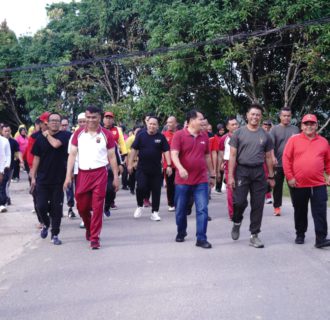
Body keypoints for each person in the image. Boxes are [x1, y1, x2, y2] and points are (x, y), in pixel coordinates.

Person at [64, 106, 119, 250]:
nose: (90, 120)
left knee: (97, 206)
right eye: (88, 117)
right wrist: (68, 176)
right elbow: (72, 155)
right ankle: (88, 227)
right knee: (81, 207)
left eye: (94, 117)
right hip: (82, 174)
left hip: (100, 174)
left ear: (99, 118)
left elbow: (112, 157)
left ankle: (95, 237)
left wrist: (116, 177)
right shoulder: (78, 134)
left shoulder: (107, 134)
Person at [228, 104, 275, 248]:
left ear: (261, 117)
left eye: (258, 115)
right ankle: (237, 222)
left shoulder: (266, 135)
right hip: (242, 171)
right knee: (240, 202)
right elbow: (233, 155)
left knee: (258, 204)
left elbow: (268, 157)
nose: (255, 117)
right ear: (247, 115)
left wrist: (271, 176)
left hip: (259, 173)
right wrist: (230, 176)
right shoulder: (238, 133)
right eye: (252, 114)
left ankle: (254, 235)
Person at [283, 114, 330, 248]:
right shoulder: (294, 140)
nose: (309, 126)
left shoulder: (323, 142)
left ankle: (321, 238)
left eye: (312, 124)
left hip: (318, 183)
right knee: (300, 210)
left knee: (320, 211)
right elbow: (286, 159)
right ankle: (300, 234)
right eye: (306, 124)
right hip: (298, 183)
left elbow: (328, 160)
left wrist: (329, 174)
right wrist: (290, 177)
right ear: (302, 126)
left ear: (316, 126)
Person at [171, 110, 215, 249]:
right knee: (180, 210)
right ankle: (181, 231)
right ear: (191, 120)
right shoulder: (179, 135)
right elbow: (174, 155)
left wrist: (212, 174)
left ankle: (201, 238)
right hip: (182, 181)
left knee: (202, 209)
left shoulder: (204, 136)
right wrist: (180, 168)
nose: (203, 122)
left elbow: (207, 156)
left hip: (201, 180)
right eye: (200, 119)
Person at [30, 113, 69, 245]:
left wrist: (46, 134)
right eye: (52, 120)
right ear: (47, 122)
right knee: (40, 206)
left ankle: (55, 235)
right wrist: (32, 175)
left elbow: (56, 144)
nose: (54, 123)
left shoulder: (65, 135)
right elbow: (36, 157)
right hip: (42, 179)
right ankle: (46, 224)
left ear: (60, 123)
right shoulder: (40, 139)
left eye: (57, 121)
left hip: (59, 180)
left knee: (56, 209)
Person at [128, 116, 172, 221]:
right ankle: (139, 205)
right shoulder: (140, 136)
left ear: (157, 126)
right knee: (140, 187)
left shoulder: (161, 137)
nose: (152, 126)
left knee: (156, 191)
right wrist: (130, 164)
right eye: (150, 123)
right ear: (147, 124)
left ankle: (155, 212)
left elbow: (166, 151)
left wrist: (169, 165)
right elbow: (134, 150)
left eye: (154, 124)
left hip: (156, 169)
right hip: (142, 168)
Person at [270, 108, 299, 216]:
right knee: (277, 187)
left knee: (294, 185)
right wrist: (272, 157)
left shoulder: (296, 129)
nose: (286, 118)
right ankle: (277, 207)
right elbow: (271, 146)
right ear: (280, 117)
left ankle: (297, 206)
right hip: (279, 163)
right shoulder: (274, 130)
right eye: (284, 116)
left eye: (288, 116)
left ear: (291, 117)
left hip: (293, 164)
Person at [103, 111, 128, 208]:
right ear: (103, 119)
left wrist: (122, 160)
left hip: (115, 159)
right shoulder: (99, 129)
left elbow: (121, 143)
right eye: (106, 118)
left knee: (113, 184)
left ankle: (110, 201)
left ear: (113, 120)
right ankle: (102, 203)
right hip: (102, 161)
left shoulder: (117, 130)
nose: (108, 120)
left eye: (110, 118)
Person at [218, 116, 239, 220]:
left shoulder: (242, 136)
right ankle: (232, 213)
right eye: (232, 124)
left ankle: (239, 209)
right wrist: (221, 163)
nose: (235, 126)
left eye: (236, 124)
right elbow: (221, 152)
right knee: (230, 189)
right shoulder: (224, 138)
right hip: (228, 163)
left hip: (241, 164)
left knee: (240, 189)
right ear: (227, 127)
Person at [1, 124, 23, 206]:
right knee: (3, 183)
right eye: (5, 131)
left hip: (10, 166)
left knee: (7, 183)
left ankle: (6, 197)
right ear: (2, 132)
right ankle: (5, 198)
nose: (7, 133)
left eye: (8, 131)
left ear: (11, 131)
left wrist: (21, 161)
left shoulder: (13, 142)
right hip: (1, 166)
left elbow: (17, 152)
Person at [60, 117, 76, 218]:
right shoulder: (55, 135)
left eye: (66, 125)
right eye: (63, 125)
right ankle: (59, 208)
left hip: (69, 163)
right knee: (59, 188)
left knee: (70, 186)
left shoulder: (71, 136)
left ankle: (70, 207)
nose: (64, 127)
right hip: (58, 164)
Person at [162, 116, 178, 212]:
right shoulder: (164, 135)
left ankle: (179, 202)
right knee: (170, 185)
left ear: (176, 123)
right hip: (168, 165)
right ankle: (171, 203)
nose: (168, 124)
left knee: (179, 185)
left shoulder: (180, 134)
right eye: (167, 122)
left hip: (179, 165)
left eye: (171, 122)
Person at [262, 119, 274, 204]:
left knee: (268, 177)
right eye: (265, 125)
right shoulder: (258, 133)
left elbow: (272, 148)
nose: (266, 126)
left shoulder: (271, 135)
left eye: (268, 125)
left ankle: (268, 196)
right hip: (258, 159)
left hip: (268, 159)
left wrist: (273, 157)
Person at [0, 127, 11, 212]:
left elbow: (8, 155)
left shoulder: (4, 141)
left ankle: (2, 204)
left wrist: (6, 166)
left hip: (3, 167)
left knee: (2, 186)